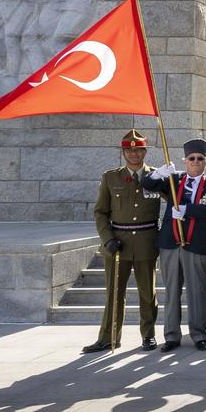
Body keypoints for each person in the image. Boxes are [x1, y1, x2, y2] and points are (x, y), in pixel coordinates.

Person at [143, 138, 206, 352]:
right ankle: (171, 336)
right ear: (185, 161)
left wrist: (188, 210)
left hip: (196, 244)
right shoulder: (174, 180)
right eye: (191, 158)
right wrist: (158, 173)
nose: (195, 161)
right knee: (171, 291)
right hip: (170, 243)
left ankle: (199, 335)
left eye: (200, 158)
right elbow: (145, 184)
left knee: (197, 291)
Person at [83, 129, 160, 353]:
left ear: (145, 151)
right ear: (124, 152)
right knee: (114, 293)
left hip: (146, 242)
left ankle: (148, 336)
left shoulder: (155, 177)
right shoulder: (111, 177)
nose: (134, 154)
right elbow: (100, 212)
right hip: (118, 243)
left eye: (138, 150)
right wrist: (107, 239)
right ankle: (108, 338)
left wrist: (172, 180)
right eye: (129, 150)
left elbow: (173, 200)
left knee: (148, 294)